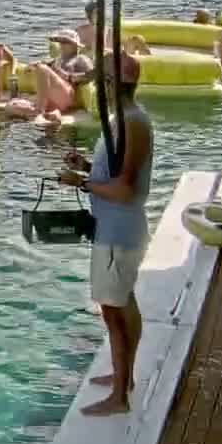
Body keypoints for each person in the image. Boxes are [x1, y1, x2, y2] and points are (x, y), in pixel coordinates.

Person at [57, 52, 154, 417]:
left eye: (102, 81)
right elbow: (116, 174)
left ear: (112, 85)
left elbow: (125, 190)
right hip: (114, 228)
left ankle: (119, 396)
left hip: (119, 231)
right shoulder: (122, 121)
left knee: (114, 311)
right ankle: (122, 377)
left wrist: (81, 183)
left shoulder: (133, 124)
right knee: (121, 304)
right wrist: (86, 166)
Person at [17, 29, 91, 115]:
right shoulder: (57, 59)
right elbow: (43, 68)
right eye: (60, 41)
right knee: (12, 105)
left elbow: (90, 76)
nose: (61, 44)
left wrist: (65, 74)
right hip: (54, 95)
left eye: (65, 42)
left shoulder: (81, 58)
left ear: (74, 45)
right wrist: (34, 66)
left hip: (67, 94)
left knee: (42, 68)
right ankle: (50, 113)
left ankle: (39, 110)